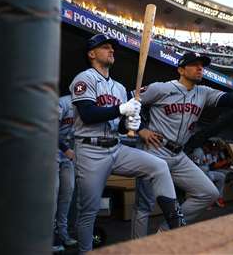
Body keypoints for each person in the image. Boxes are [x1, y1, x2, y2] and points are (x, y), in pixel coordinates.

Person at [70, 34, 183, 253]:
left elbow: (120, 127)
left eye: (112, 47)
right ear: (91, 54)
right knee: (88, 211)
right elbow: (88, 114)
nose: (111, 50)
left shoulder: (120, 88)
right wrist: (121, 110)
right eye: (105, 47)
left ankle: (175, 220)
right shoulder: (84, 78)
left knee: (158, 166)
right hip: (90, 150)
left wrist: (131, 121)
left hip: (116, 147)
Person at [132, 52, 233, 238]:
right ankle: (136, 248)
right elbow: (128, 102)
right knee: (144, 206)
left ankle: (165, 231)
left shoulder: (203, 92)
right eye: (194, 64)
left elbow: (228, 99)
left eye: (202, 65)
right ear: (181, 69)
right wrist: (140, 128)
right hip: (155, 152)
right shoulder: (161, 88)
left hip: (179, 155)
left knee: (208, 192)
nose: (200, 68)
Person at [56, 95, 77, 246]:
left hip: (69, 154)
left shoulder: (89, 105)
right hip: (52, 150)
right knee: (52, 193)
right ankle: (49, 236)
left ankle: (62, 233)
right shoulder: (62, 102)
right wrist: (65, 149)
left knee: (67, 192)